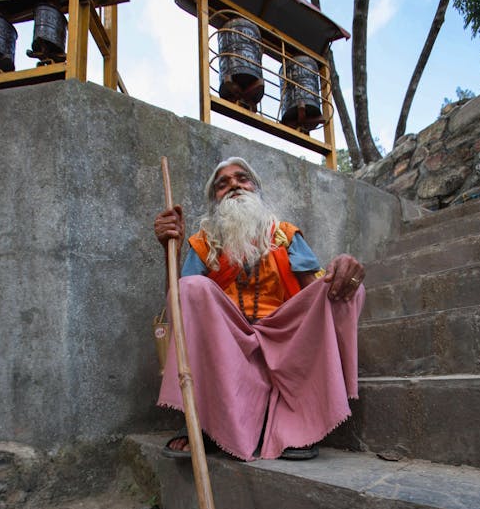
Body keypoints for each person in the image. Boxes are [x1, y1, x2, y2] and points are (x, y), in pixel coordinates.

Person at [154, 157, 365, 461]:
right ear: (214, 200)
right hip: (230, 345)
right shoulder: (204, 244)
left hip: (284, 341)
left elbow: (317, 292)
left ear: (257, 189)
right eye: (222, 184)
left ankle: (302, 427)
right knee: (188, 288)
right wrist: (169, 250)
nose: (234, 186)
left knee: (346, 289)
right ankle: (207, 425)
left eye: (243, 179)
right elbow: (180, 304)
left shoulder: (285, 234)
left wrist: (344, 269)